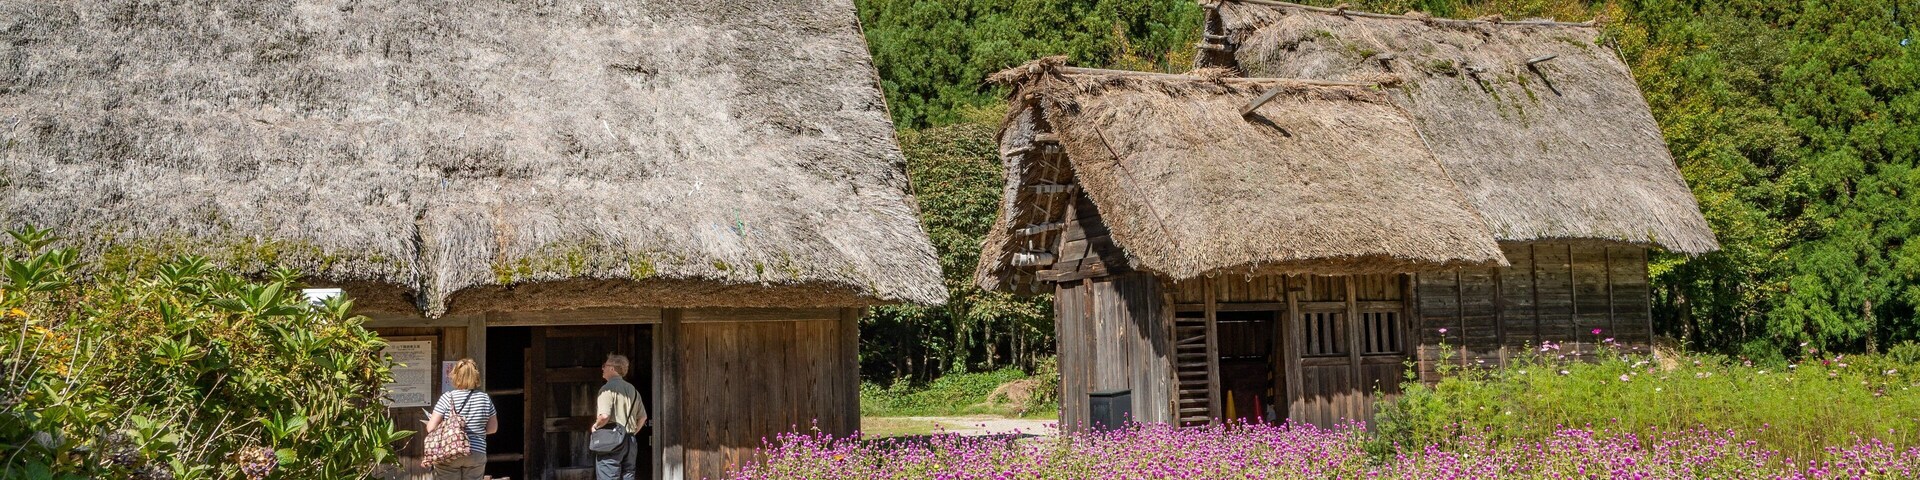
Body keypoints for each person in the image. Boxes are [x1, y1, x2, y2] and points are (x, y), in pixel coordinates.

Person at [423, 358, 498, 480]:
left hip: (450, 450)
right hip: (476, 451)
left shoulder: (447, 397)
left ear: (455, 376)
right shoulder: (484, 398)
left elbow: (431, 428)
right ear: (476, 376)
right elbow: (492, 429)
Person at [593, 354, 648, 480]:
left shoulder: (606, 389)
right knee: (628, 475)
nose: (602, 369)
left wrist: (595, 426)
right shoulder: (633, 390)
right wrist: (632, 432)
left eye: (604, 366)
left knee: (608, 475)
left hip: (612, 441)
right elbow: (643, 417)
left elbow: (604, 416)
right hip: (630, 440)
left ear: (612, 368)